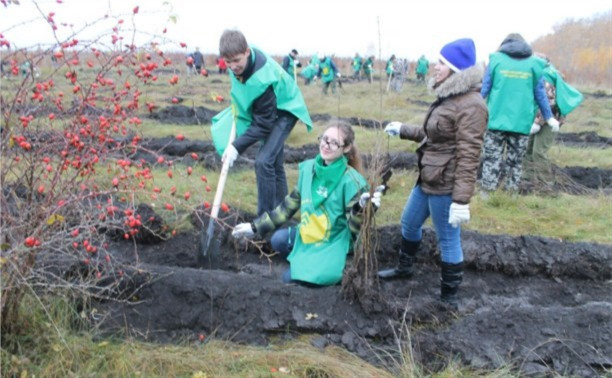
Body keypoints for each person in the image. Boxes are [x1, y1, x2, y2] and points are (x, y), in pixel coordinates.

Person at [378, 38, 488, 308]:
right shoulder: (449, 97)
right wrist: (403, 129)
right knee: (409, 223)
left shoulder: (471, 105)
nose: (435, 67)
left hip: (446, 184)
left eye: (441, 62)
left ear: (454, 69)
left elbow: (469, 154)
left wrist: (461, 200)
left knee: (448, 239)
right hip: (427, 177)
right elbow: (433, 136)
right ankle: (405, 268)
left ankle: (448, 299)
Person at [232, 123, 382, 286]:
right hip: (309, 234)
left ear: (346, 148)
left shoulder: (352, 181)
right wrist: (255, 227)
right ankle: (305, 262)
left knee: (288, 280)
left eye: (334, 142)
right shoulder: (309, 169)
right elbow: (287, 207)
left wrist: (361, 210)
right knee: (278, 240)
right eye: (324, 139)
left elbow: (354, 231)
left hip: (332, 242)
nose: (326, 145)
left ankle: (340, 266)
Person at [213, 30, 312, 216]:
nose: (233, 66)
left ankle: (264, 221)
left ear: (247, 52)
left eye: (236, 61)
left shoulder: (262, 80)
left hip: (285, 108)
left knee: (263, 161)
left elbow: (263, 124)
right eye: (228, 62)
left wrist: (236, 147)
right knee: (274, 163)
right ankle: (282, 214)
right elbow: (242, 88)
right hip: (269, 108)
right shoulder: (241, 61)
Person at [479, 33, 557, 194]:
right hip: (521, 123)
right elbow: (540, 94)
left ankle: (487, 193)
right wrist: (549, 117)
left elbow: (484, 89)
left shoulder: (496, 60)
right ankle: (511, 194)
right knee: (515, 162)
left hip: (495, 122)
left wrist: (471, 111)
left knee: (492, 159)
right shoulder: (535, 64)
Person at [524, 55, 584, 179]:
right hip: (538, 119)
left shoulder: (546, 77)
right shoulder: (545, 73)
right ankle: (528, 180)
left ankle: (546, 184)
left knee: (538, 152)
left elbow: (548, 104)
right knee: (527, 150)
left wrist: (537, 123)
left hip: (550, 121)